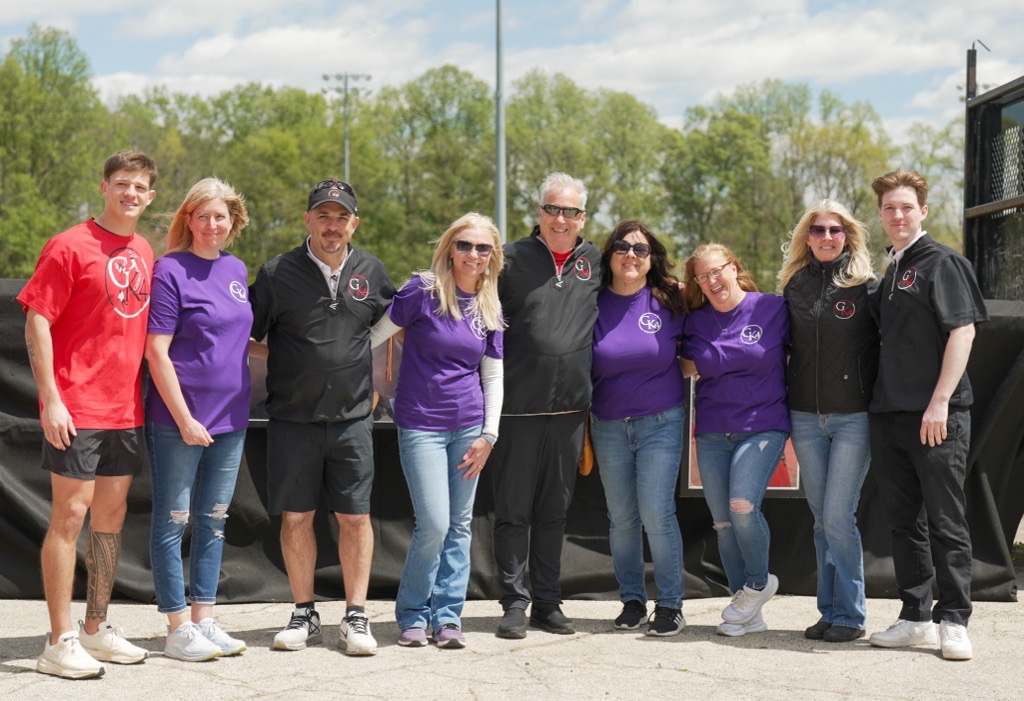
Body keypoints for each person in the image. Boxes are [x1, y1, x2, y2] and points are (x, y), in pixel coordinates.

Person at [18, 150, 158, 679]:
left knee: (110, 518)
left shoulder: (144, 249)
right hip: (77, 406)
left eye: (139, 187)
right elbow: (37, 321)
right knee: (69, 517)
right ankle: (59, 640)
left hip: (125, 409)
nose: (130, 193)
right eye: (121, 183)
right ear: (104, 187)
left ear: (150, 196)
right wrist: (51, 398)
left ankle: (95, 628)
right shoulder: (68, 245)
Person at [249, 179, 396, 655]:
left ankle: (356, 616)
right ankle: (304, 613)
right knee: (296, 518)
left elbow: (391, 324)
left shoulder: (372, 270)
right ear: (307, 219)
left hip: (353, 420)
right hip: (293, 419)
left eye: (341, 217)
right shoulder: (277, 272)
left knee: (356, 518)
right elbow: (246, 333)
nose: (332, 226)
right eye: (324, 216)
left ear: (355, 223)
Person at [866, 169, 987, 660]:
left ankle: (954, 619)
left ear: (924, 211)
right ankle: (915, 617)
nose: (897, 215)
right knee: (903, 523)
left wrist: (939, 402)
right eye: (889, 208)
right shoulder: (892, 269)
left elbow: (963, 333)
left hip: (936, 416)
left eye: (906, 207)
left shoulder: (943, 263)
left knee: (945, 520)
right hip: (890, 415)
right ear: (881, 215)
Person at [369, 213, 504, 650]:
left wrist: (489, 435)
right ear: (450, 248)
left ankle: (448, 618)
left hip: (470, 428)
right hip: (420, 425)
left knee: (460, 525)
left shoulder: (490, 306)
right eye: (465, 244)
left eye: (482, 247)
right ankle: (412, 614)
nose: (473, 254)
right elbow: (372, 337)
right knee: (434, 523)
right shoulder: (421, 292)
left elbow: (493, 376)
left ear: (492, 256)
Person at [144, 178, 252, 661]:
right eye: (202, 216)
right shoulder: (169, 269)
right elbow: (156, 351)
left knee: (214, 519)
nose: (212, 225)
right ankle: (177, 628)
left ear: (233, 222)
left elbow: (238, 340)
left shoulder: (236, 268)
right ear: (188, 219)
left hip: (232, 417)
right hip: (178, 419)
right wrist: (185, 418)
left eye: (220, 217)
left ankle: (204, 619)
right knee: (174, 521)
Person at [490, 172, 602, 638]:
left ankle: (548, 602)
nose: (561, 219)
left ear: (582, 218)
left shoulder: (595, 261)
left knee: (555, 513)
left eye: (570, 211)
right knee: (513, 511)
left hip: (570, 413)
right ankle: (514, 602)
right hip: (516, 410)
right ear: (539, 212)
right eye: (553, 209)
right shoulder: (508, 258)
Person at [778, 201, 880, 643]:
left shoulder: (867, 286)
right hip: (804, 416)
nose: (826, 237)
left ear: (847, 236)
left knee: (839, 516)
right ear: (807, 236)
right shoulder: (793, 285)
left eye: (835, 230)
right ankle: (829, 611)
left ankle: (852, 616)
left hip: (853, 418)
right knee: (822, 520)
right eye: (817, 230)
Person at [679, 243, 789, 637]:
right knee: (724, 523)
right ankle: (748, 615)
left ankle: (758, 584)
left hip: (763, 424)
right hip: (712, 431)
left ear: (734, 267)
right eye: (702, 277)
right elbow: (682, 365)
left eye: (717, 271)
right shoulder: (695, 322)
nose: (711, 281)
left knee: (742, 506)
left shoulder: (772, 308)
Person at [589, 220, 688, 637]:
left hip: (661, 421)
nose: (631, 255)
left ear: (652, 260)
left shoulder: (671, 299)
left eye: (641, 249)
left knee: (656, 512)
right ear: (609, 254)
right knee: (622, 518)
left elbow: (700, 345)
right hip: (607, 424)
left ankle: (670, 604)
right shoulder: (590, 301)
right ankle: (632, 600)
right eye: (622, 247)